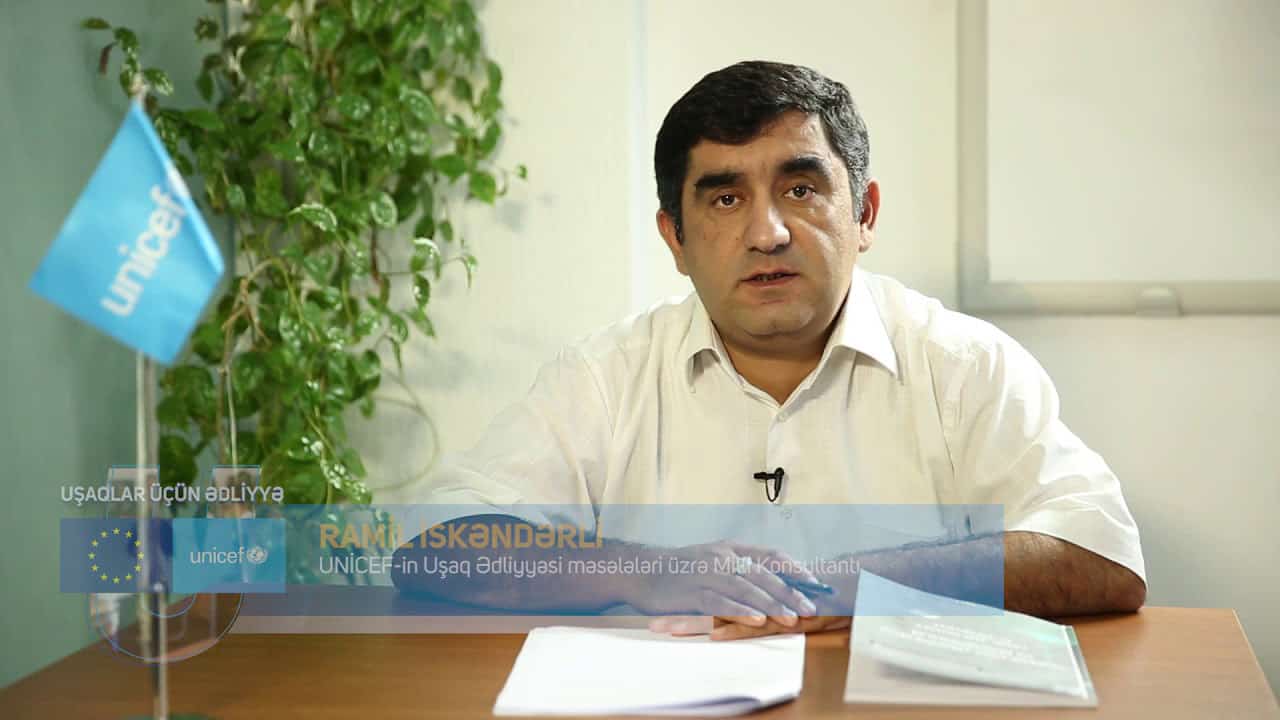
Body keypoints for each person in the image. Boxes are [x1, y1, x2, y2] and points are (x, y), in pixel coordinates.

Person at [394, 60, 1145, 640]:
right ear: (675, 241)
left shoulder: (964, 364)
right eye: (725, 199)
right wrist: (648, 572)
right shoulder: (603, 376)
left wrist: (858, 583)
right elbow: (433, 542)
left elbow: (1099, 554)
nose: (767, 233)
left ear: (864, 212)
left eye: (800, 189)